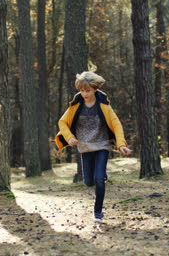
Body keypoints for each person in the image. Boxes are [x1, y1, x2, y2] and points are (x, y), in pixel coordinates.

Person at [55, 71, 132, 223]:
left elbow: (116, 124)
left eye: (88, 90)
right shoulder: (76, 105)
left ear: (95, 89)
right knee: (88, 181)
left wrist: (121, 144)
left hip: (102, 145)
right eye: (82, 90)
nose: (84, 93)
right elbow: (62, 122)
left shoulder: (103, 105)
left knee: (98, 180)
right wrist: (69, 137)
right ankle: (100, 176)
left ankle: (97, 212)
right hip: (85, 147)